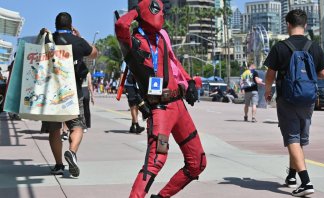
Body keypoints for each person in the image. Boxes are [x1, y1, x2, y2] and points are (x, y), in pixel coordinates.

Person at [115, 0, 206, 197]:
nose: (162, 15)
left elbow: (173, 61)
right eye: (158, 10)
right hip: (161, 109)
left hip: (178, 105)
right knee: (156, 160)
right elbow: (121, 25)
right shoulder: (134, 43)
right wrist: (137, 10)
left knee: (197, 162)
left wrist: (189, 81)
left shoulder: (162, 37)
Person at [264, 9, 324, 197]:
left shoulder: (280, 47)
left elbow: (270, 74)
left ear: (288, 24)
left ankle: (306, 182)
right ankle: (292, 176)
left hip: (287, 97)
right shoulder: (314, 46)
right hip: (308, 99)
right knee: (299, 139)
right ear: (305, 25)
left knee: (292, 138)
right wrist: (307, 79)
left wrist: (268, 90)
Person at [40, 12, 98, 177]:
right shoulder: (78, 42)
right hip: (73, 91)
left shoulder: (48, 40)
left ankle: (59, 165)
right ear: (71, 25)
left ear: (56, 25)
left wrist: (43, 34)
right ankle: (71, 152)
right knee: (77, 125)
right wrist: (80, 37)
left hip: (51, 92)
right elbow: (94, 53)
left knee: (54, 130)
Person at [122, 62, 145, 134]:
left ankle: (132, 126)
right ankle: (137, 126)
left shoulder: (137, 58)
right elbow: (122, 73)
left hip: (137, 85)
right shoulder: (125, 61)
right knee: (133, 106)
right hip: (129, 85)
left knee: (137, 106)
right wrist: (121, 86)